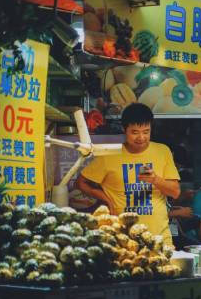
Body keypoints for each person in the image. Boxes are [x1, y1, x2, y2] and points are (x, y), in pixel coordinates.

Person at [76, 103, 181, 246]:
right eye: (135, 132)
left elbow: (175, 192)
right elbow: (81, 182)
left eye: (146, 131)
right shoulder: (109, 155)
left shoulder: (163, 151)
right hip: (123, 240)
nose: (141, 137)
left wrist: (155, 179)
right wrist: (106, 199)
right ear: (124, 130)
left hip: (160, 238)